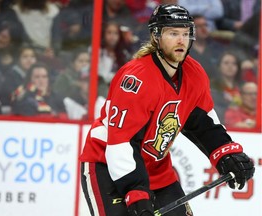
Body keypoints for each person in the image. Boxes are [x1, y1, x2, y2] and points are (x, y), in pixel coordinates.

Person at [79, 4, 255, 216]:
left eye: (185, 33)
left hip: (156, 171)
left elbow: (203, 123)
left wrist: (226, 154)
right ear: (156, 36)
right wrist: (136, 193)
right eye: (173, 33)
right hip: (107, 166)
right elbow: (121, 142)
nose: (181, 40)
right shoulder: (136, 79)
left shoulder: (195, 74)